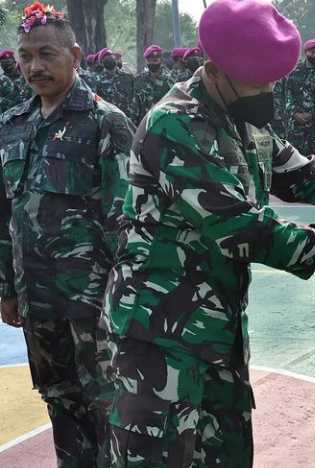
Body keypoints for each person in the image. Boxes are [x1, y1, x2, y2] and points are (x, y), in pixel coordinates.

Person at [102, 2, 315, 465]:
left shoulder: (242, 119)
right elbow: (235, 223)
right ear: (213, 71)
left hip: (217, 329)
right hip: (157, 336)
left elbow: (308, 176)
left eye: (272, 80)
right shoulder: (175, 124)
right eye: (258, 80)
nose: (268, 90)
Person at [0, 2, 135, 465]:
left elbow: (128, 221)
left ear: (75, 56)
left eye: (47, 54)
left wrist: (119, 300)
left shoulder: (105, 122)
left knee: (105, 404)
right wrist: (7, 288)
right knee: (58, 400)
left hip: (92, 303)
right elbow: (4, 216)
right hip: (37, 300)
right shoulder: (13, 127)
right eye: (25, 56)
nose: (34, 66)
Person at [285, 38, 315, 156]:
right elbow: (287, 95)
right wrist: (295, 113)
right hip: (296, 123)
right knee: (296, 156)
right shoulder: (293, 71)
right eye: (312, 53)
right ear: (305, 53)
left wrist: (312, 114)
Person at [134, 44, 174, 125]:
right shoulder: (139, 80)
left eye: (155, 60)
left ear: (161, 60)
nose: (152, 63)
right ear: (146, 61)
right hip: (144, 124)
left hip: (164, 123)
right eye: (150, 60)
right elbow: (135, 104)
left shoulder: (170, 80)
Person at [96, 47, 136, 122]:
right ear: (101, 63)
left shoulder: (128, 77)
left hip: (128, 120)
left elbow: (135, 98)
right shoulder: (98, 81)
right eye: (105, 57)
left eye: (110, 55)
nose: (109, 58)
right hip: (109, 122)